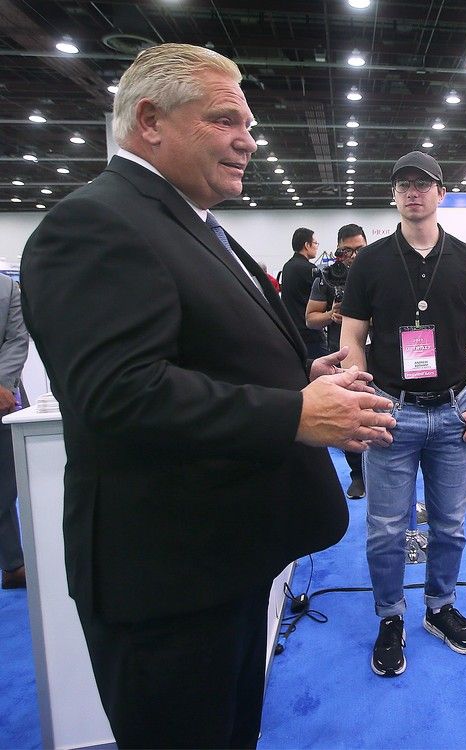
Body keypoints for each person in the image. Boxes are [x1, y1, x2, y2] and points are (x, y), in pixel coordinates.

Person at [19, 43, 395, 748]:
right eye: (226, 119)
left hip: (217, 562)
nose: (248, 140)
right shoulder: (95, 222)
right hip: (168, 584)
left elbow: (195, 354)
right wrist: (295, 413)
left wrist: (298, 381)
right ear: (151, 121)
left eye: (247, 124)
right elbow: (117, 394)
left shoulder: (182, 221)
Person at [340, 151, 466, 677]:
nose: (413, 192)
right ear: (394, 195)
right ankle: (390, 616)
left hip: (454, 414)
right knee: (385, 528)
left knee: (450, 524)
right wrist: (364, 399)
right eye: (403, 183)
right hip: (393, 412)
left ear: (440, 193)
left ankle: (439, 606)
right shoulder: (371, 261)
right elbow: (351, 337)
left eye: (423, 183)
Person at [307, 223, 367, 498]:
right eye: (347, 251)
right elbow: (310, 319)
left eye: (360, 249)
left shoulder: (381, 272)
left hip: (382, 355)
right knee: (350, 417)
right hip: (341, 356)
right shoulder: (325, 278)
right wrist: (331, 315)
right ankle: (358, 475)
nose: (354, 256)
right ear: (339, 251)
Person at [0, 274, 28, 590]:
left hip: (5, 399)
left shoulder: (8, 287)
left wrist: (3, 385)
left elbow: (17, 338)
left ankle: (12, 564)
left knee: (7, 484)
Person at [281, 227, 326, 359]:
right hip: (310, 332)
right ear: (307, 245)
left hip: (292, 330)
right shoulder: (309, 269)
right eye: (315, 243)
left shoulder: (287, 266)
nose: (317, 247)